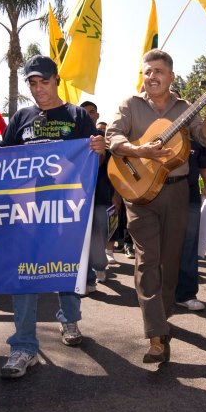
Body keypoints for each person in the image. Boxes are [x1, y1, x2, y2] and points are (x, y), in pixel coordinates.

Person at [106, 49, 206, 363]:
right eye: (147, 71)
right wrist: (140, 150)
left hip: (177, 191)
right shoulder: (130, 104)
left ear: (170, 76)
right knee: (146, 261)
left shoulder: (186, 107)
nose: (152, 77)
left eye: (158, 71)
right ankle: (156, 335)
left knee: (170, 263)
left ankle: (162, 315)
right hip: (138, 194)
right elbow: (113, 137)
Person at [0, 56, 106, 378]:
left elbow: (91, 166)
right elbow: (3, 161)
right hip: (27, 210)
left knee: (68, 270)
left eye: (43, 82)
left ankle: (69, 318)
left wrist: (98, 152)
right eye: (32, 83)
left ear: (56, 80)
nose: (37, 89)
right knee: (25, 275)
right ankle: (23, 346)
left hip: (67, 210)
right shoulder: (21, 118)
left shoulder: (76, 116)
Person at [175, 141, 206, 312]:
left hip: (190, 197)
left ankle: (186, 295)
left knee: (189, 246)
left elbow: (204, 165)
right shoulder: (159, 125)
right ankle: (158, 294)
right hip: (159, 197)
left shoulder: (196, 135)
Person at [80, 100, 115, 284]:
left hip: (102, 196)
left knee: (99, 235)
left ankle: (99, 266)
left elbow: (113, 167)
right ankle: (87, 278)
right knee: (83, 239)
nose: (88, 115)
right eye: (84, 112)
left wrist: (116, 195)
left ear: (97, 115)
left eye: (92, 111)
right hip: (79, 197)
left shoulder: (106, 138)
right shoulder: (74, 136)